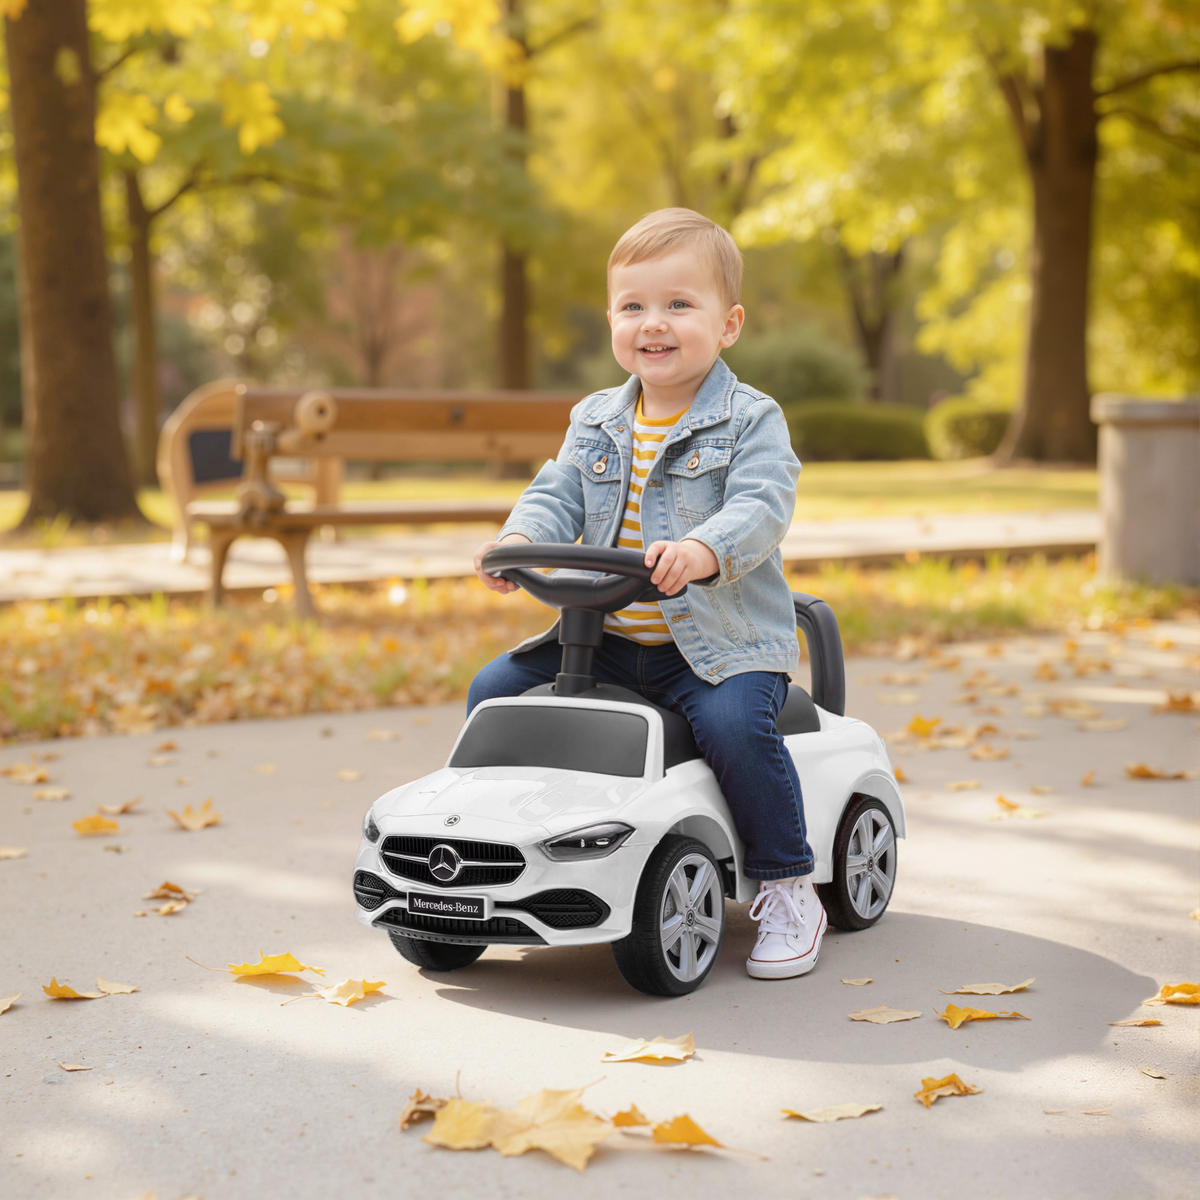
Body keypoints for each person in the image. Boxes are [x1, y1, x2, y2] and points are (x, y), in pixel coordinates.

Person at [469, 207, 824, 980]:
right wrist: (519, 540)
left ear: (728, 325)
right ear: (611, 321)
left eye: (678, 304)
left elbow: (762, 505)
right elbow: (557, 492)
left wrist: (702, 550)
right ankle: (513, 852)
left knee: (734, 728)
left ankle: (787, 883)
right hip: (605, 641)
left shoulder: (751, 419)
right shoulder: (595, 418)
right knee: (494, 692)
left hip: (718, 649)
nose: (652, 323)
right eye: (633, 306)